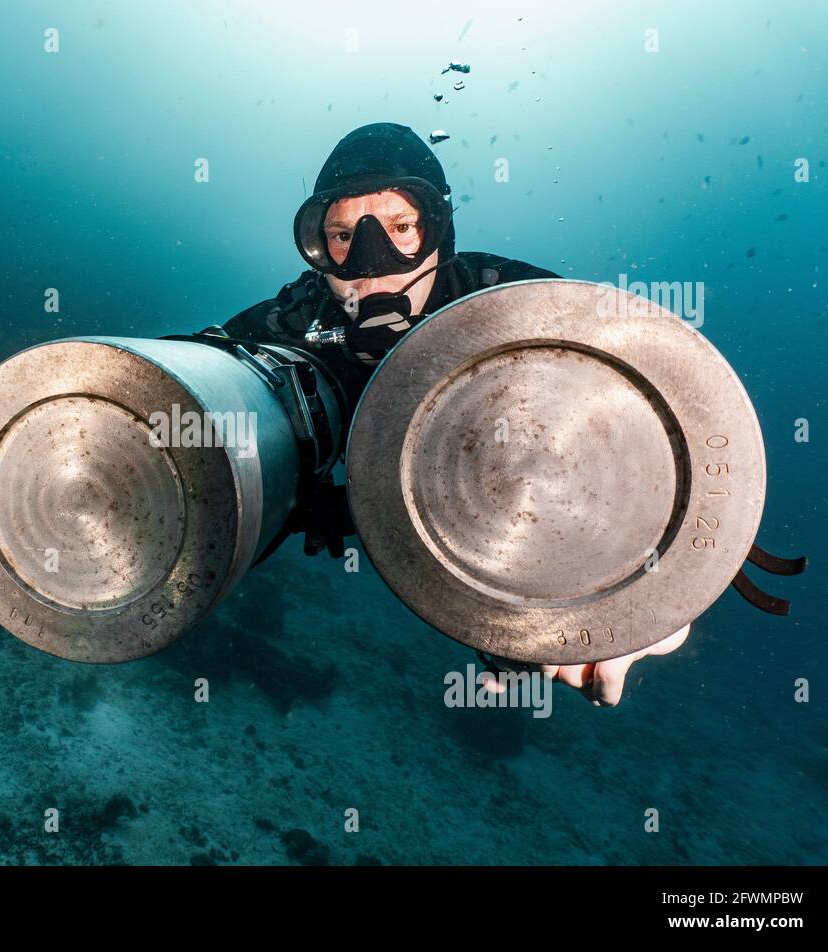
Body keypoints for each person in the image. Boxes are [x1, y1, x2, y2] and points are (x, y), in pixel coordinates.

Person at [222, 122, 689, 706]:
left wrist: (654, 587)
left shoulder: (510, 306)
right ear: (317, 248)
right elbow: (194, 374)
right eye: (342, 235)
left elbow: (661, 418)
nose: (370, 264)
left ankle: (513, 638)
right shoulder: (301, 315)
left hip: (486, 506)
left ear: (440, 234)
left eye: (401, 228)